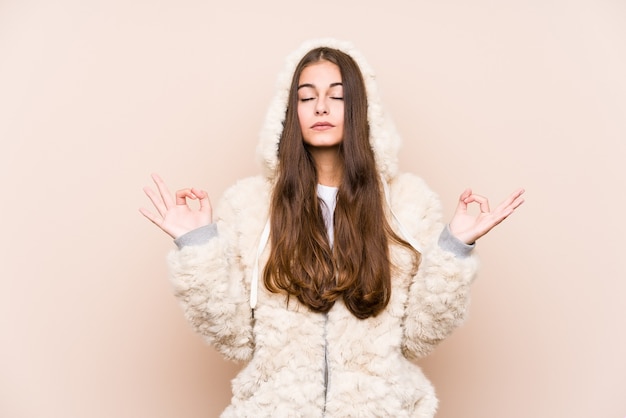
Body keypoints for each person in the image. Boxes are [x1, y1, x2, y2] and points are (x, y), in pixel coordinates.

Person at [140, 39, 524, 417]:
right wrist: (198, 246)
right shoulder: (248, 206)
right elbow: (234, 338)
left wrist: (454, 248)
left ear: (361, 110)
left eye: (337, 97)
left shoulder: (409, 203)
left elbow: (419, 337)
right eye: (306, 98)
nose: (320, 107)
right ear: (288, 113)